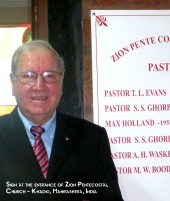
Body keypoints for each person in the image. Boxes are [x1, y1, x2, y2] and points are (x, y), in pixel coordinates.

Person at [0, 40, 124, 201]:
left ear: (61, 80)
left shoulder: (93, 138)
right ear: (12, 82)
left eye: (49, 76)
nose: (39, 86)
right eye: (28, 76)